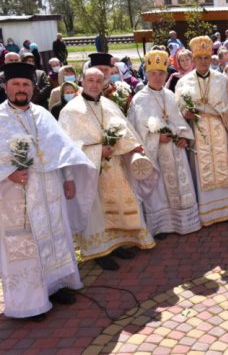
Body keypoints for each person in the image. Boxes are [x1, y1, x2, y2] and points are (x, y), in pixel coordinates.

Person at [0, 62, 97, 321]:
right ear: (5, 87)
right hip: (16, 197)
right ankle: (29, 303)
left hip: (50, 191)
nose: (21, 89)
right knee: (27, 247)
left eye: (26, 85)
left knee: (54, 238)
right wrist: (7, 173)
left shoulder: (42, 113)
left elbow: (60, 149)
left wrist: (67, 177)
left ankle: (55, 287)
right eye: (16, 85)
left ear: (32, 88)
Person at [59, 59, 156, 271]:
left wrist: (133, 147)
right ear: (81, 81)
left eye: (98, 80)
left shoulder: (109, 104)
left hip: (114, 167)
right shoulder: (71, 110)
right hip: (89, 170)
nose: (94, 84)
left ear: (104, 83)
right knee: (96, 211)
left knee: (118, 204)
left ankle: (118, 243)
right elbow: (68, 147)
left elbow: (125, 130)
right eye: (90, 80)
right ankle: (99, 250)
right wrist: (97, 151)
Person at [127, 50, 200, 239]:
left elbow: (178, 120)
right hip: (156, 154)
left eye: (161, 73)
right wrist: (156, 139)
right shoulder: (139, 99)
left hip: (175, 151)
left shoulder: (169, 95)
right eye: (153, 73)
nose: (157, 77)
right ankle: (161, 227)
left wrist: (183, 137)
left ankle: (182, 223)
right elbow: (135, 129)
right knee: (159, 191)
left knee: (178, 186)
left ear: (166, 75)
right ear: (146, 73)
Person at [175, 36, 228, 226]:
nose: (203, 62)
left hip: (219, 128)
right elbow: (178, 107)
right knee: (204, 167)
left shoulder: (222, 80)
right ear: (193, 60)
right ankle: (208, 212)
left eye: (206, 58)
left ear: (211, 58)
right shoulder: (183, 82)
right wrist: (184, 112)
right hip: (198, 130)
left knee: (223, 164)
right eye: (199, 58)